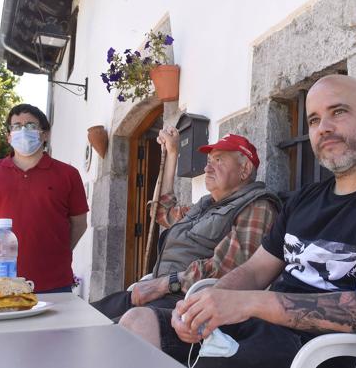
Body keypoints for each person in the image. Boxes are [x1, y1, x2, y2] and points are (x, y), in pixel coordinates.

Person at [119, 75, 356, 368]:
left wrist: (249, 303)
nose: (325, 127)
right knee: (138, 323)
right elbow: (255, 269)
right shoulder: (304, 200)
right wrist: (209, 303)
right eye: (315, 120)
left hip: (320, 353)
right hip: (262, 334)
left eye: (339, 112)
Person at [90, 128, 281, 321]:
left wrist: (165, 284)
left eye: (218, 160)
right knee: (85, 317)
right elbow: (162, 212)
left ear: (245, 170)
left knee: (106, 334)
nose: (207, 168)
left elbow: (228, 270)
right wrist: (172, 154)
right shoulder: (205, 204)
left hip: (186, 303)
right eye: (208, 161)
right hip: (158, 293)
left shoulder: (257, 206)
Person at [0, 104, 89, 293]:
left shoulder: (68, 174)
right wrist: (2, 252)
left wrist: (58, 251)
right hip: (3, 282)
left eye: (31, 125)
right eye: (16, 126)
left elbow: (79, 223)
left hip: (55, 283)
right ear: (9, 136)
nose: (23, 131)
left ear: (45, 134)